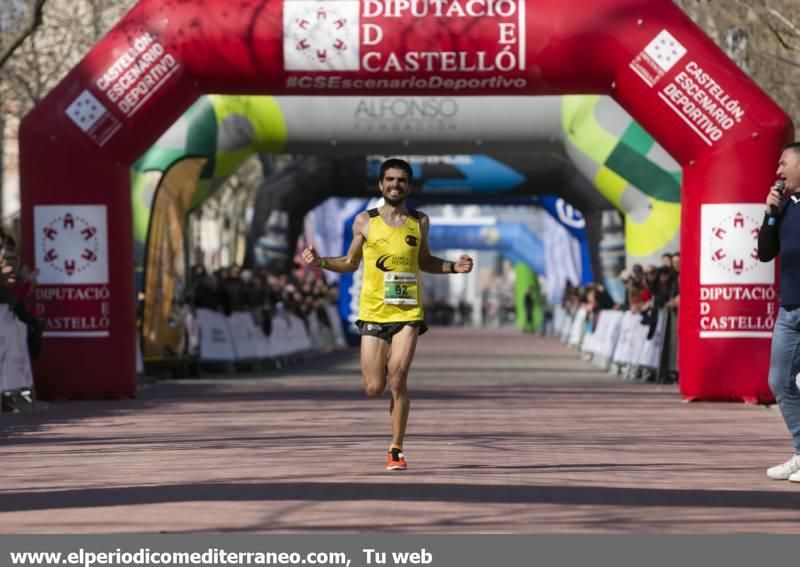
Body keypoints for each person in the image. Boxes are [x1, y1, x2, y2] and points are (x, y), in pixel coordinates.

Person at [301, 158, 474, 471]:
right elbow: (351, 262)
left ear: (408, 186)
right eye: (390, 180)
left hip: (407, 312)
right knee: (374, 387)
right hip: (373, 311)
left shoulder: (419, 221)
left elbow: (425, 261)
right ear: (381, 185)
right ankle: (380, 361)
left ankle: (396, 448)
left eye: (402, 181)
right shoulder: (364, 221)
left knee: (398, 378)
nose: (396, 185)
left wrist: (452, 267)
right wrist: (322, 262)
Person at [758, 141, 800, 482]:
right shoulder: (784, 208)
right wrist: (770, 215)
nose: (778, 171)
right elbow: (764, 253)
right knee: (778, 380)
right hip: (789, 309)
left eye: (783, 163)